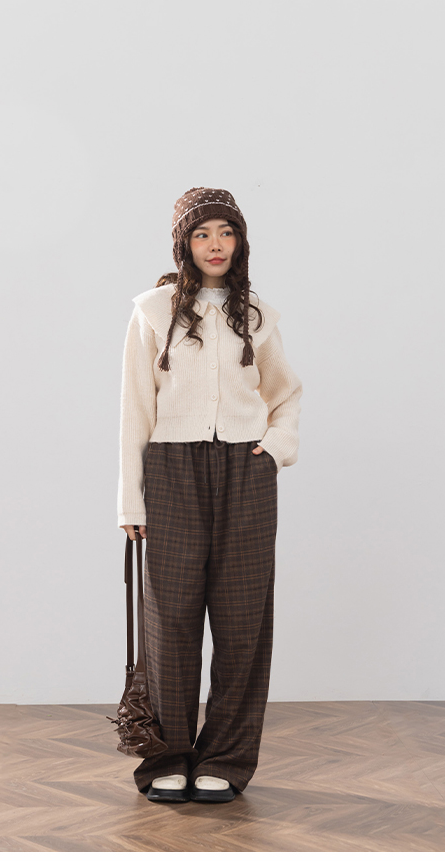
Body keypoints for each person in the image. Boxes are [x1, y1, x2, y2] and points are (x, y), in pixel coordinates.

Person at [117, 186, 303, 803]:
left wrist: (273, 450)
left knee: (242, 621)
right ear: (184, 244)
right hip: (172, 471)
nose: (215, 245)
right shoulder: (152, 312)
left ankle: (225, 757)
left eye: (225, 232)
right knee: (169, 620)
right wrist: (130, 501)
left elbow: (285, 393)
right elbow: (134, 410)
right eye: (202, 234)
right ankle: (168, 755)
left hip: (246, 471)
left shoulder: (258, 316)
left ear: (240, 242)